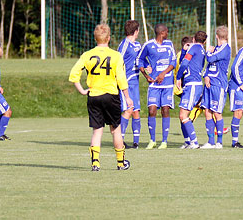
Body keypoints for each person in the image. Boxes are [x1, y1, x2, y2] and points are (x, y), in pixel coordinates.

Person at [68, 24, 132, 171]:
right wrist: (127, 97)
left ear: (95, 38)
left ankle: (95, 163)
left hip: (94, 96)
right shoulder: (116, 55)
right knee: (116, 129)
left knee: (97, 130)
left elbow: (73, 74)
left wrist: (82, 91)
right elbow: (121, 79)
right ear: (109, 38)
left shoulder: (87, 55)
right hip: (111, 96)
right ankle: (121, 163)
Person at [138, 23, 176, 149]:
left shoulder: (169, 44)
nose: (168, 34)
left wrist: (163, 74)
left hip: (167, 84)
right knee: (152, 110)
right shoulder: (148, 45)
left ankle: (164, 141)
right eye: (167, 32)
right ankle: (152, 140)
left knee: (165, 109)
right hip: (154, 84)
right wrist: (146, 75)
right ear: (162, 33)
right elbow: (140, 60)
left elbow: (173, 62)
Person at [200, 26, 231, 149]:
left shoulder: (225, 49)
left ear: (216, 36)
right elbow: (209, 66)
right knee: (207, 111)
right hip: (209, 83)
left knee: (217, 113)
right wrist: (206, 76)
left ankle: (219, 142)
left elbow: (210, 58)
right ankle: (210, 141)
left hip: (219, 85)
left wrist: (208, 51)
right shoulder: (216, 48)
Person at [174, 31, 207, 149]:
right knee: (183, 115)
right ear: (205, 41)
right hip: (192, 85)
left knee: (183, 115)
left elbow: (184, 63)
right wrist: (184, 51)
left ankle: (194, 142)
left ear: (193, 39)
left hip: (192, 85)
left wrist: (178, 77)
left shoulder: (194, 48)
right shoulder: (201, 50)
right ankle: (189, 141)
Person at [118, 20, 142, 149]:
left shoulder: (137, 45)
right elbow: (117, 61)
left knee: (136, 111)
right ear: (135, 31)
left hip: (135, 82)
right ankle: (119, 140)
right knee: (129, 109)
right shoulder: (124, 45)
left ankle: (136, 142)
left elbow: (141, 60)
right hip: (126, 82)